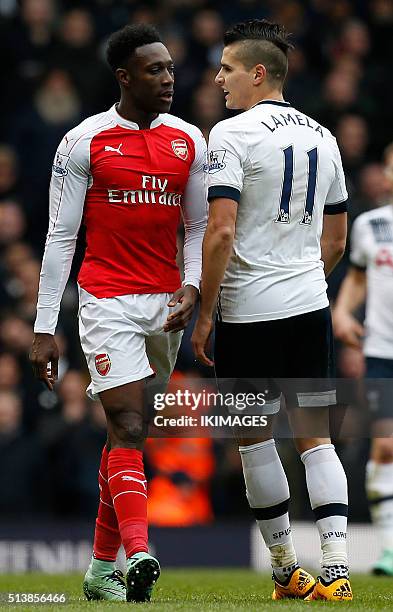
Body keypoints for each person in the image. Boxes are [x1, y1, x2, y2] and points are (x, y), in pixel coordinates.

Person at [30, 24, 207, 603]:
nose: (168, 80)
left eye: (171, 69)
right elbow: (60, 236)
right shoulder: (84, 142)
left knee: (126, 436)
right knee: (129, 425)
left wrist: (193, 287)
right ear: (124, 77)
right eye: (154, 70)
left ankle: (100, 568)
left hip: (167, 306)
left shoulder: (189, 140)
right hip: (106, 299)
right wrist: (44, 327)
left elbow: (199, 226)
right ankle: (139, 553)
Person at [192, 19, 352, 601]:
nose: (219, 79)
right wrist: (304, 279)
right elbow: (336, 240)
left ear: (258, 74)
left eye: (228, 68)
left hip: (247, 312)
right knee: (317, 438)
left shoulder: (230, 135)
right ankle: (336, 568)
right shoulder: (324, 136)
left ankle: (286, 571)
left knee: (254, 439)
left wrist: (205, 312)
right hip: (310, 305)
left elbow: (220, 231)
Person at [333, 142, 393, 576]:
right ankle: (390, 548)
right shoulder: (371, 226)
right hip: (382, 354)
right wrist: (341, 311)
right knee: (386, 448)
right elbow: (356, 278)